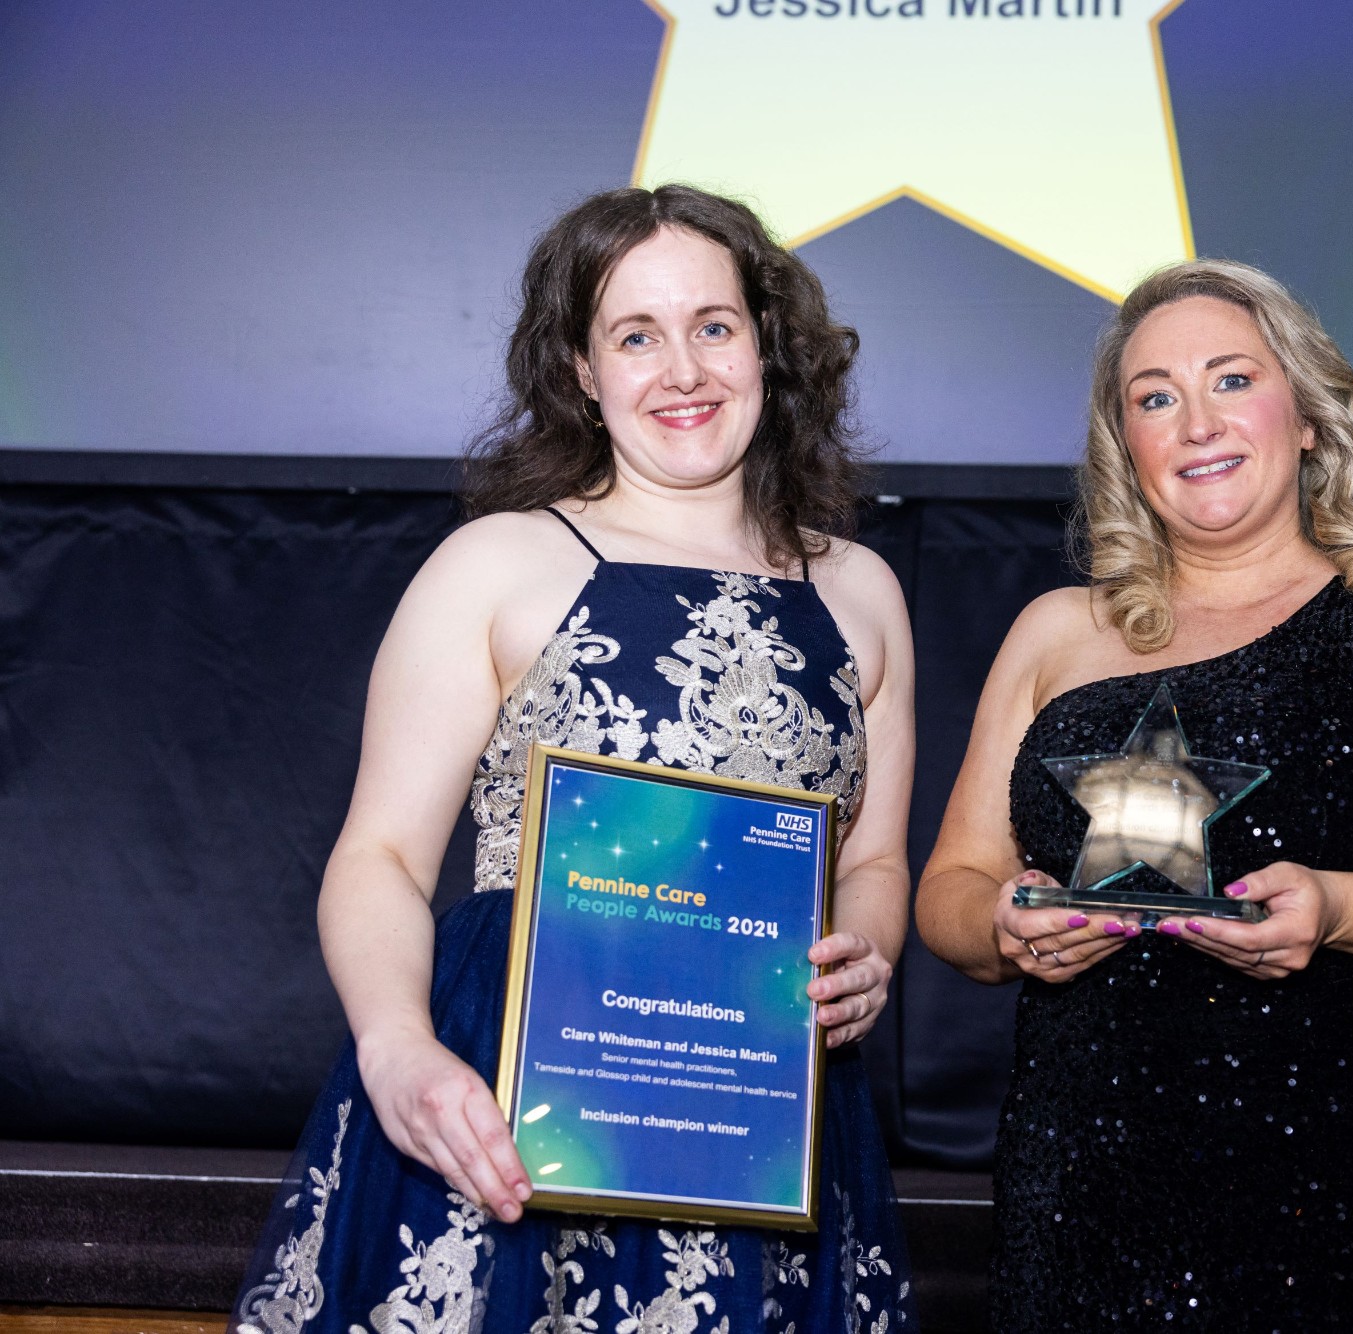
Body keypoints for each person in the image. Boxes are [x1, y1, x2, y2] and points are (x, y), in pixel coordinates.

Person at [233, 185, 917, 1333]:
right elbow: (384, 855)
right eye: (634, 334)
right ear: (582, 372)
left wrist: (872, 952)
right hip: (508, 1105)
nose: (682, 367)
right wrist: (395, 1044)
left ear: (767, 345)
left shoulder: (861, 592)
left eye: (713, 324)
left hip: (758, 1114)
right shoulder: (495, 564)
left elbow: (879, 856)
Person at [915, 259, 1353, 1331]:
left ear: (1307, 416)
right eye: (1154, 397)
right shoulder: (1052, 632)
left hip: (1331, 1178)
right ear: (1123, 444)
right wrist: (1001, 925)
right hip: (1078, 1185)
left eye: (1230, 378)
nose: (1194, 422)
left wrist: (1340, 905)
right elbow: (949, 887)